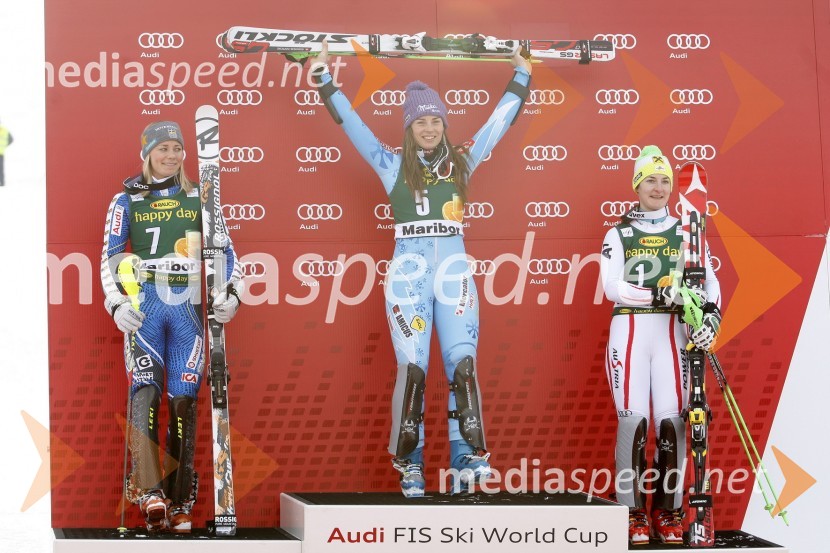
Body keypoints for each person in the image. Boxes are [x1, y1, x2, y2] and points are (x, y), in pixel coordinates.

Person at [305, 42, 532, 497]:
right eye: (420, 122)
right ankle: (409, 464)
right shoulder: (391, 165)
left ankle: (465, 456)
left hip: (453, 275)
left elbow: (498, 123)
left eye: (435, 121)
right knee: (414, 368)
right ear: (409, 129)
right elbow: (353, 126)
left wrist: (522, 74)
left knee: (462, 365)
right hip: (408, 275)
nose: (429, 128)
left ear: (444, 126)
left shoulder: (463, 161)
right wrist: (325, 81)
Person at [100, 121, 243, 532]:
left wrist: (231, 295)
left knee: (183, 403)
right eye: (163, 148)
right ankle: (148, 491)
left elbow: (227, 253)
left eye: (177, 148)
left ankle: (180, 498)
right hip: (144, 308)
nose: (172, 156)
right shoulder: (125, 200)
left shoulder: (201, 198)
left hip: (188, 311)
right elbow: (109, 256)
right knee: (144, 393)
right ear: (147, 154)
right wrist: (116, 304)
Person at [600, 146, 722, 545]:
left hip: (674, 336)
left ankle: (667, 513)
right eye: (650, 179)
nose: (658, 187)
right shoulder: (619, 232)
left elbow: (710, 284)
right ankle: (632, 514)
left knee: (673, 423)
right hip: (631, 332)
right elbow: (611, 286)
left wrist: (710, 318)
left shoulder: (689, 228)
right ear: (637, 184)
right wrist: (658, 294)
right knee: (632, 423)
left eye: (665, 179)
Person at [0, 118, 13, 186]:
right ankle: (2, 182)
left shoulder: (5, 131)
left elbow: (11, 139)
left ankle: (2, 183)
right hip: (1, 153)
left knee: (1, 169)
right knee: (1, 168)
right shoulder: (5, 130)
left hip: (1, 153)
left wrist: (4, 145)